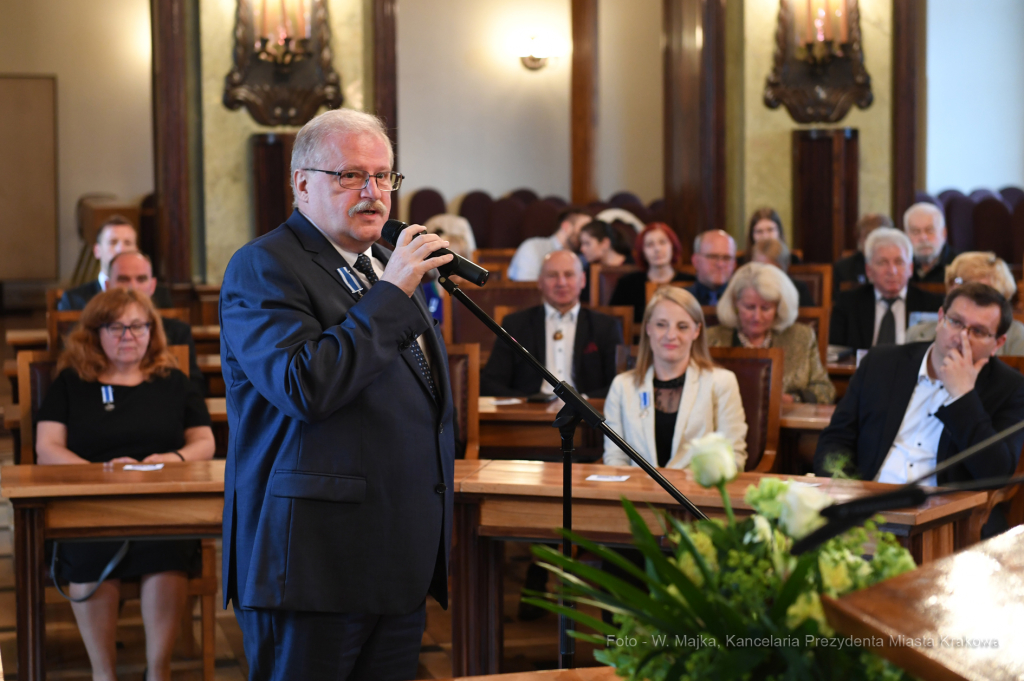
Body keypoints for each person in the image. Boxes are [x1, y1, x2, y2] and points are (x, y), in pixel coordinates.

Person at [219, 109, 457, 681]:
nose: (373, 193)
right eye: (351, 176)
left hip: (395, 559)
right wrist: (397, 293)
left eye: (383, 177)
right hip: (312, 565)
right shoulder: (264, 266)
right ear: (302, 183)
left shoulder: (381, 268)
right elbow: (305, 385)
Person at [35, 288, 214, 681]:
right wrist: (96, 473)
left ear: (152, 330)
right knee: (88, 549)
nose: (128, 335)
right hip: (89, 505)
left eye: (138, 325)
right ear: (94, 333)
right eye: (115, 326)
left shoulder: (173, 380)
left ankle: (158, 670)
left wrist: (172, 459)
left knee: (167, 549)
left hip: (159, 504)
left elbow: (205, 441)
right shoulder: (71, 382)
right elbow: (46, 447)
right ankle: (104, 674)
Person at [814, 283, 1024, 537]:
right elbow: (835, 439)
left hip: (947, 523)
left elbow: (996, 473)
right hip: (866, 509)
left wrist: (962, 396)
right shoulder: (882, 362)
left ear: (998, 343)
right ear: (939, 319)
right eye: (955, 322)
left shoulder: (1011, 388)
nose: (961, 337)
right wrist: (845, 494)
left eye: (978, 331)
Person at [603, 286, 747, 469]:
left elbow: (733, 457)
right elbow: (615, 459)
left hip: (697, 495)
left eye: (682, 327)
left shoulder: (722, 382)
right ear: (648, 328)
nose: (671, 335)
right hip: (637, 494)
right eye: (661, 325)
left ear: (696, 331)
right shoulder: (622, 386)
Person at [481, 249, 623, 398]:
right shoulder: (515, 324)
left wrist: (583, 403)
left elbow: (619, 385)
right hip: (530, 415)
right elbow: (490, 384)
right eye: (552, 276)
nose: (561, 283)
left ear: (583, 280)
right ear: (540, 282)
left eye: (569, 275)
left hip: (587, 415)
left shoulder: (606, 326)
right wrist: (528, 403)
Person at [706, 263, 834, 404]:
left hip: (786, 421)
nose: (757, 317)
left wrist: (793, 399)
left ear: (779, 307)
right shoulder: (711, 338)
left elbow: (825, 390)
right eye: (749, 307)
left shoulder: (802, 337)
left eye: (766, 308)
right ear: (735, 303)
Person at [829, 227, 944, 350]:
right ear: (868, 270)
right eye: (882, 262)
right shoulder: (847, 303)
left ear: (910, 268)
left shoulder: (932, 305)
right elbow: (836, 351)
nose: (892, 271)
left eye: (899, 262)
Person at [107, 251, 205, 395]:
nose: (132, 287)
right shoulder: (92, 330)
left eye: (141, 279)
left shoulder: (177, 332)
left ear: (152, 286)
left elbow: (194, 386)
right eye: (123, 279)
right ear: (107, 285)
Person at [907, 252, 1024, 355]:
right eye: (957, 281)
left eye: (974, 288)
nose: (958, 288)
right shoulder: (917, 332)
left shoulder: (1016, 336)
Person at [58, 215, 173, 310]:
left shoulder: (160, 296)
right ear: (97, 251)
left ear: (136, 250)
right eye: (113, 242)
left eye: (127, 243)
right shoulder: (74, 299)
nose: (120, 249)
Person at [609, 222, 693, 322]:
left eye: (662, 242)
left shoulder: (690, 282)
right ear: (642, 251)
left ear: (673, 247)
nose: (657, 249)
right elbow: (614, 321)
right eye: (650, 245)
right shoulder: (627, 284)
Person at [507, 208, 591, 281]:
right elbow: (526, 291)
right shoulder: (533, 248)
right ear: (566, 227)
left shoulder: (583, 257)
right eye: (584, 228)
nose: (588, 235)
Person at [420, 214, 476, 322]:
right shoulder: (423, 292)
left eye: (459, 262)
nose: (452, 268)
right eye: (446, 261)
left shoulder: (470, 292)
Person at [833, 213, 894, 294]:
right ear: (859, 239)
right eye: (868, 236)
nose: (873, 243)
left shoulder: (899, 267)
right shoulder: (844, 267)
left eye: (878, 238)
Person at [750, 238, 815, 307]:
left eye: (771, 270)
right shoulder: (748, 288)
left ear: (784, 267)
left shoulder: (798, 289)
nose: (765, 274)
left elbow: (810, 316)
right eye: (759, 268)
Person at [904, 202, 955, 284]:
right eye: (915, 232)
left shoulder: (960, 266)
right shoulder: (900, 267)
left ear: (944, 233)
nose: (923, 238)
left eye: (930, 230)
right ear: (906, 235)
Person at [686, 229, 737, 306]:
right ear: (695, 261)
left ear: (734, 263)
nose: (720, 264)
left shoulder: (744, 302)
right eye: (713, 257)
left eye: (726, 258)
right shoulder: (683, 300)